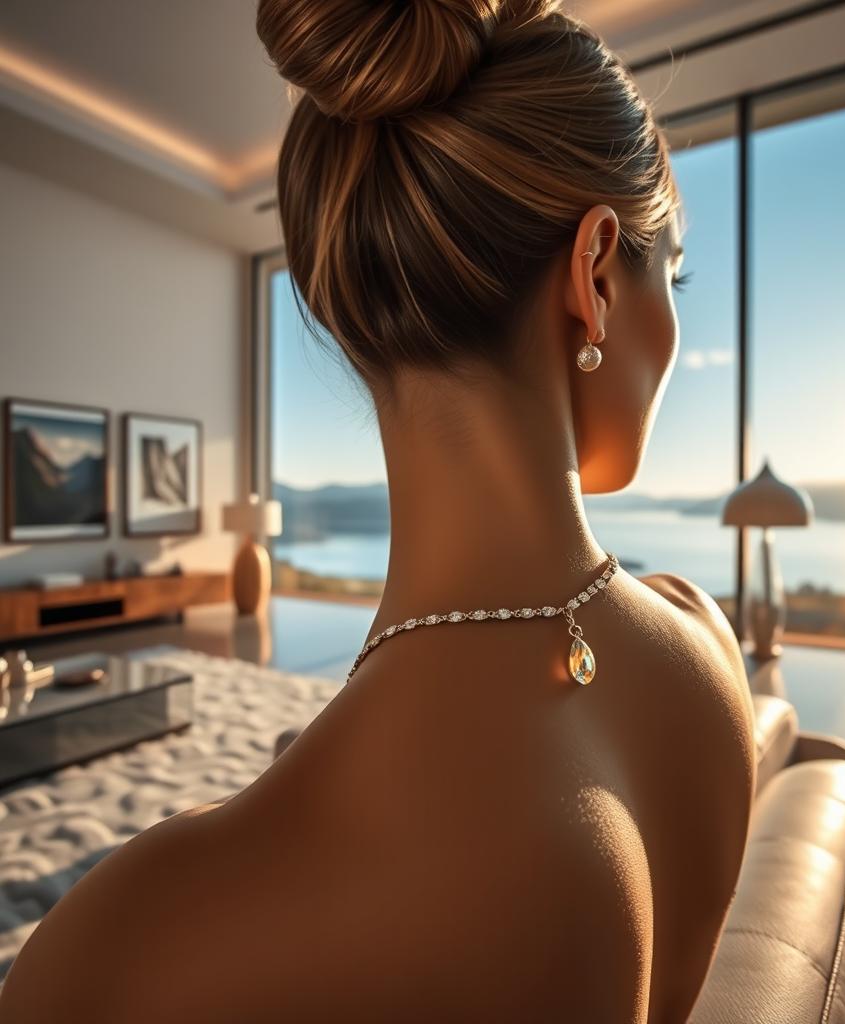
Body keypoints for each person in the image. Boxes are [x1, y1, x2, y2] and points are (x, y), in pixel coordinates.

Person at [0, 1, 755, 1020]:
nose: (673, 322)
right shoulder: (706, 647)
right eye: (675, 273)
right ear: (594, 277)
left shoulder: (112, 952)